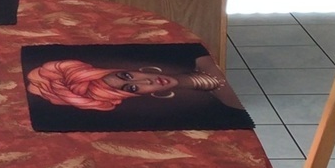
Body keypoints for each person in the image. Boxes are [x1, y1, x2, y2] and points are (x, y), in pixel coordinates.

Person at [24, 56, 241, 112]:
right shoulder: (228, 105)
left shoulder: (201, 57)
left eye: (127, 76)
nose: (146, 81)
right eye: (133, 88)